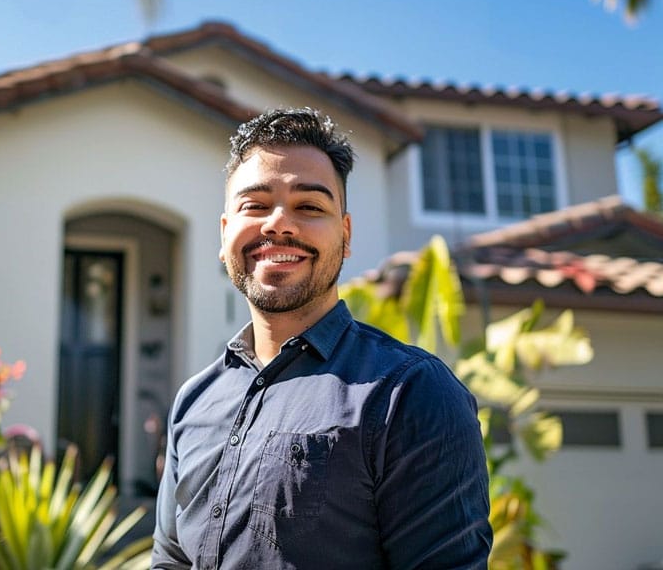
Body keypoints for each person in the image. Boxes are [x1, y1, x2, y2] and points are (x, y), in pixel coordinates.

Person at [151, 108, 492, 569]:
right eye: (254, 205)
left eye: (309, 206)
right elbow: (170, 560)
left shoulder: (410, 393)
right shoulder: (195, 400)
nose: (278, 224)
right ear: (225, 232)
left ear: (345, 236)